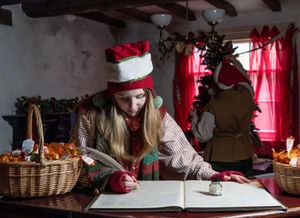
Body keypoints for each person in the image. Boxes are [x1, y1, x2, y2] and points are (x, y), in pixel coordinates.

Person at [70, 40, 249, 194]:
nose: (133, 107)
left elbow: (183, 156)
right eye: (123, 99)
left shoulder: (158, 115)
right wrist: (110, 179)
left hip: (148, 198)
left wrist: (212, 175)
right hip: (99, 202)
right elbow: (77, 161)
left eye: (140, 97)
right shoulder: (91, 115)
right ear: (111, 96)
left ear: (149, 95)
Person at [189, 55, 256, 177]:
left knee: (217, 191)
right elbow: (246, 80)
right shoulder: (247, 94)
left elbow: (203, 135)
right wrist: (234, 62)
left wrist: (194, 117)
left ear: (217, 83)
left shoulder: (213, 106)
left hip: (218, 156)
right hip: (244, 153)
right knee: (245, 190)